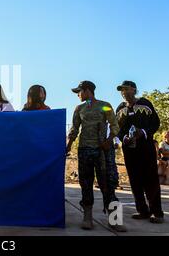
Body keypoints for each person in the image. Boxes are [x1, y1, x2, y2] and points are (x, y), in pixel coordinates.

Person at [66, 81, 125, 231]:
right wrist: (68, 146)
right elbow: (74, 129)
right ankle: (87, 217)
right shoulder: (79, 108)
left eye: (79, 92)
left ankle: (115, 219)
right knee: (86, 183)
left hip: (103, 150)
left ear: (87, 90)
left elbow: (114, 124)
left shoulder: (105, 105)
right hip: (85, 149)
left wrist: (109, 140)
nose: (78, 95)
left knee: (109, 183)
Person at [116, 81, 164, 223]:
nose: (124, 92)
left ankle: (157, 213)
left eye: (126, 89)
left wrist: (142, 132)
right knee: (134, 180)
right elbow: (116, 127)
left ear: (134, 90)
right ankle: (143, 211)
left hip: (146, 147)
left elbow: (155, 123)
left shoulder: (145, 103)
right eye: (122, 90)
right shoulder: (120, 108)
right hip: (129, 149)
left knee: (151, 179)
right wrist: (124, 138)